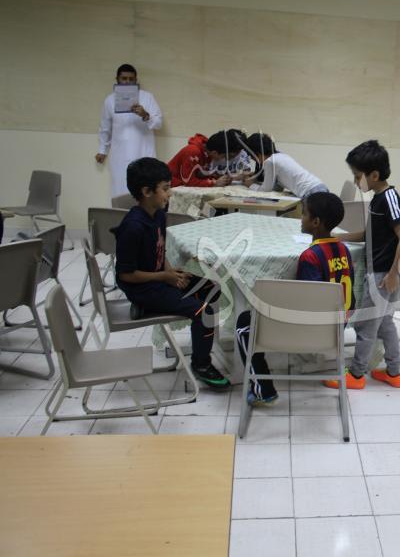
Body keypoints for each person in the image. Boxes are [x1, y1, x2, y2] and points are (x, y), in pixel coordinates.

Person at [114, 157, 230, 390]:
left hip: (160, 279)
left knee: (213, 289)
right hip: (142, 289)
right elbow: (125, 275)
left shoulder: (158, 214)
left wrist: (169, 270)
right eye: (165, 189)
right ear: (147, 191)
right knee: (203, 311)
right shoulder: (132, 226)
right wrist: (164, 277)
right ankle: (201, 364)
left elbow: (160, 249)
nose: (170, 194)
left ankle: (200, 337)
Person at [235, 192, 354, 405]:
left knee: (244, 323)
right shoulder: (344, 249)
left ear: (316, 222)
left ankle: (263, 390)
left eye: (304, 214)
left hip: (313, 330)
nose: (301, 218)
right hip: (337, 328)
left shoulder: (310, 256)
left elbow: (306, 303)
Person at [325, 140, 400, 390]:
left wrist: (393, 274)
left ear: (374, 175)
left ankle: (356, 375)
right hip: (383, 272)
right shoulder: (377, 198)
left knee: (366, 325)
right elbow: (370, 234)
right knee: (384, 324)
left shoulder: (389, 198)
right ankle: (394, 373)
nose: (355, 181)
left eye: (357, 176)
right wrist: (339, 238)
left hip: (384, 274)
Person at [95, 64, 163, 199]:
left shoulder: (147, 97)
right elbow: (105, 128)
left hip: (143, 153)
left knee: (145, 193)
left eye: (131, 79)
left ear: (136, 80)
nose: (127, 82)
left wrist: (145, 115)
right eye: (124, 78)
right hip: (120, 156)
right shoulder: (110, 100)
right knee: (120, 193)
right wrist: (102, 150)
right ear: (117, 79)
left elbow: (159, 123)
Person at [239, 133, 328, 200]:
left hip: (310, 192)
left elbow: (265, 190)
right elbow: (278, 188)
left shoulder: (269, 162)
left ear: (257, 154)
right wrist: (256, 178)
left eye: (253, 157)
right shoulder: (281, 156)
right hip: (318, 186)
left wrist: (250, 184)